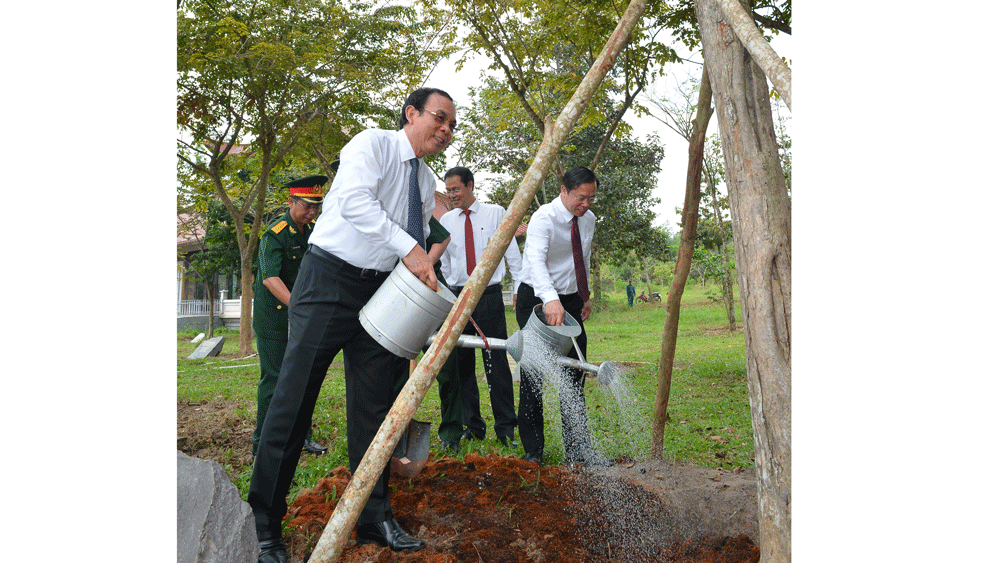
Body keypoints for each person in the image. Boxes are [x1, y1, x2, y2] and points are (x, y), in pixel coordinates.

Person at [248, 87, 457, 563]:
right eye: (438, 119)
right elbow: (356, 204)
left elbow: (419, 244)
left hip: (380, 292)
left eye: (451, 126)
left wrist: (434, 287)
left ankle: (374, 515)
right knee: (294, 401)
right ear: (411, 114)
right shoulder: (372, 144)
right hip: (328, 283)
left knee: (376, 409)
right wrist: (410, 249)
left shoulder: (425, 182)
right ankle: (263, 525)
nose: (445, 131)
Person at [515, 166, 612, 468]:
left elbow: (580, 257)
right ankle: (533, 453)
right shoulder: (544, 218)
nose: (586, 205)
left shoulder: (589, 220)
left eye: (592, 199)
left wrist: (583, 295)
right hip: (537, 297)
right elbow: (535, 260)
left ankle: (578, 451)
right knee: (533, 374)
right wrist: (550, 299)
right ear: (564, 191)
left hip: (569, 301)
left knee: (575, 373)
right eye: (581, 198)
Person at [437, 166, 522, 449]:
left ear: (470, 186)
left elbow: (512, 253)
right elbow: (445, 258)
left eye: (456, 189)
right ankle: (472, 426)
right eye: (448, 190)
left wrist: (519, 287)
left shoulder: (496, 213)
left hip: (489, 295)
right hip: (459, 297)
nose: (451, 195)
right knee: (461, 364)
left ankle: (506, 428)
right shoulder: (447, 220)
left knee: (496, 360)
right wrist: (452, 284)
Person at [252, 176, 330, 459]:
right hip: (274, 318)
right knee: (273, 381)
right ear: (291, 202)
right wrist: (298, 306)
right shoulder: (275, 233)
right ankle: (261, 444)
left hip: (301, 316)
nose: (312, 213)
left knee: (302, 378)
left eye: (316, 207)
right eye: (307, 206)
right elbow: (270, 279)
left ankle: (302, 438)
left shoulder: (312, 231)